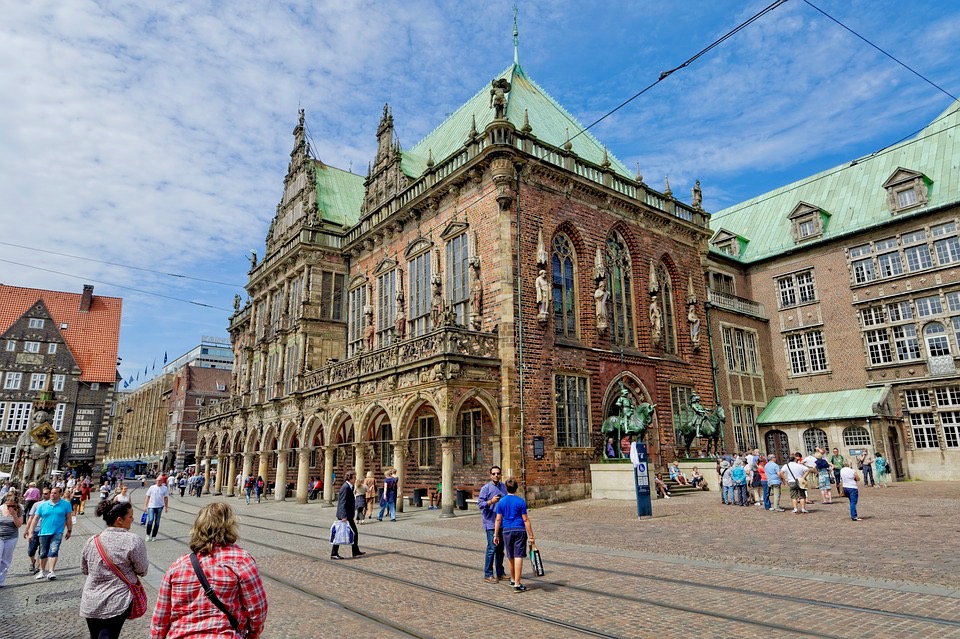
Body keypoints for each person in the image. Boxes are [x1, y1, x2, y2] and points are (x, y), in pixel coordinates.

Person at [151, 502, 267, 639]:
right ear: (230, 526)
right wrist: (253, 633)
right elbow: (257, 609)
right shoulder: (242, 561)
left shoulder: (177, 566)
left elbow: (160, 618)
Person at [81, 499, 148, 638]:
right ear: (119, 520)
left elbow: (85, 569)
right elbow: (142, 570)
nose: (133, 519)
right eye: (130, 516)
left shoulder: (93, 540)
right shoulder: (133, 540)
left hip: (91, 600)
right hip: (117, 600)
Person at [493, 478, 535, 593]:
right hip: (519, 529)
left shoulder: (501, 501)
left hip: (506, 530)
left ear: (506, 488)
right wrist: (531, 536)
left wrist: (495, 535)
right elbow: (525, 519)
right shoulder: (520, 501)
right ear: (516, 488)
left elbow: (498, 519)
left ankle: (512, 579)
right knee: (518, 556)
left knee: (510, 556)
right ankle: (517, 583)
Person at [25, 485, 73, 580]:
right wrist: (30, 532)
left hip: (57, 532)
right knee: (43, 553)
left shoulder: (66, 504)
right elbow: (35, 519)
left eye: (55, 493)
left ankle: (51, 571)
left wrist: (69, 530)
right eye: (51, 493)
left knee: (54, 551)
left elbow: (68, 518)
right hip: (43, 532)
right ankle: (42, 571)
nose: (52, 495)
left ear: (60, 494)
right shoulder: (43, 505)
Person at [478, 466, 507, 583]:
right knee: (492, 548)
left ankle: (500, 572)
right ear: (490, 475)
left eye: (498, 473)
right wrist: (491, 501)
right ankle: (488, 574)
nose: (496, 475)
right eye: (494, 474)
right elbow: (480, 504)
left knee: (500, 549)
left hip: (502, 523)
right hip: (490, 523)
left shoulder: (504, 487)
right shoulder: (485, 488)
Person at [331, 470, 364, 559]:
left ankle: (355, 551)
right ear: (350, 478)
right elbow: (342, 502)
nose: (355, 479)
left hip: (348, 515)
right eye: (354, 478)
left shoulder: (349, 487)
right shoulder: (345, 487)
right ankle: (334, 553)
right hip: (345, 516)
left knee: (353, 532)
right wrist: (343, 516)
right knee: (341, 533)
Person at [24, 486, 51, 574]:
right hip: (35, 530)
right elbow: (31, 518)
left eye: (46, 493)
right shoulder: (36, 504)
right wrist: (26, 530)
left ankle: (39, 568)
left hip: (46, 531)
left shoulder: (53, 505)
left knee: (42, 551)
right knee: (30, 551)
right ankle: (33, 562)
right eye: (43, 493)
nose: (44, 495)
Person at [0, 492, 24, 587]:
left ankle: (1, 581)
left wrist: (14, 515)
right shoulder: (0, 508)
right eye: (8, 505)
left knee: (6, 560)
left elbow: (18, 525)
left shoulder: (20, 509)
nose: (10, 507)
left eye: (12, 505)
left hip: (11, 537)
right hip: (0, 536)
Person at [143, 477, 169, 542]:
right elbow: (147, 497)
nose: (158, 481)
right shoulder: (152, 487)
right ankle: (148, 535)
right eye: (157, 480)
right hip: (151, 506)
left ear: (162, 481)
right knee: (150, 520)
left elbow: (166, 498)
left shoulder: (165, 488)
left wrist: (166, 507)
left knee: (157, 522)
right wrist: (145, 506)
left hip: (159, 506)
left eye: (159, 480)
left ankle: (154, 536)